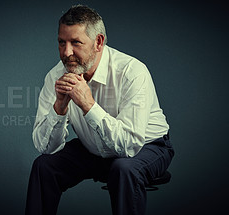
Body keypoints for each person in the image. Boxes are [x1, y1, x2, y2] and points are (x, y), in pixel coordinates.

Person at [25, 5, 174, 215]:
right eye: (61, 42)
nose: (66, 53)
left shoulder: (132, 72)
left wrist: (88, 105)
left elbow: (129, 145)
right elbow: (45, 147)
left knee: (124, 169)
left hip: (146, 147)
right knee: (44, 166)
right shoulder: (55, 77)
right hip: (92, 148)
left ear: (98, 42)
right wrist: (59, 107)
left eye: (76, 43)